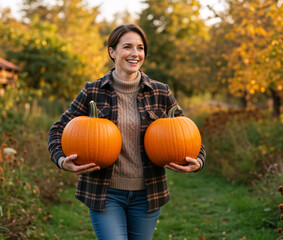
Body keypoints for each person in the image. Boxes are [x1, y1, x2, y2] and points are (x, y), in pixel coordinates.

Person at [48, 23, 206, 240]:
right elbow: (58, 129)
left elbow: (187, 132)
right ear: (112, 52)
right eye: (127, 47)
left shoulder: (160, 92)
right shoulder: (92, 91)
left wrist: (199, 160)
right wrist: (61, 160)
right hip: (105, 193)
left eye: (140, 48)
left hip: (148, 193)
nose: (135, 54)